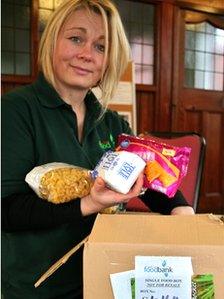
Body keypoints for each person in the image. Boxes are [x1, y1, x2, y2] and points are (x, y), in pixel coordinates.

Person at [1, 0, 194, 298]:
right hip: (37, 286)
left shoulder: (112, 122)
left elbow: (151, 179)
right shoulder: (15, 111)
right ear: (52, 41)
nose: (86, 55)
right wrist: (89, 203)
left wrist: (182, 210)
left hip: (102, 279)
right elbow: (8, 211)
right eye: (76, 38)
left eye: (101, 47)